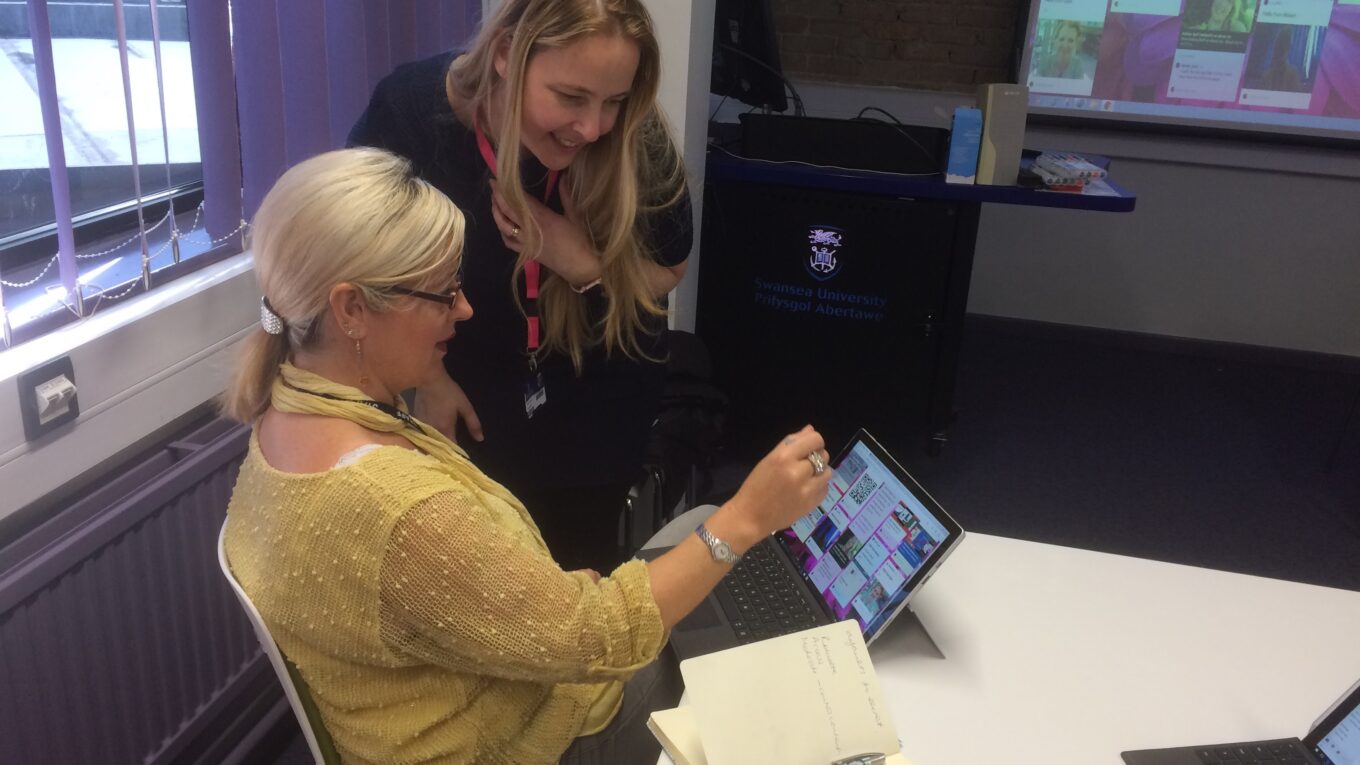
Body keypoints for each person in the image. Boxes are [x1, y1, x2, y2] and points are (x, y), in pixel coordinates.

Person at [221, 147, 834, 764]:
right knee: (795, 689)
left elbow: (444, 592)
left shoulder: (285, 411)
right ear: (351, 308)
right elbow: (599, 639)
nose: (463, 309)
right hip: (543, 742)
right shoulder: (396, 512)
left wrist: (540, 597)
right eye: (442, 294)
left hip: (455, 699)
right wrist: (747, 517)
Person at [348, 0, 692, 574]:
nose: (592, 127)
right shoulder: (412, 115)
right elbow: (363, 265)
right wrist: (429, 379)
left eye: (613, 101)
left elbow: (670, 266)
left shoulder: (634, 131)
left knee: (578, 595)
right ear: (507, 54)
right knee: (482, 589)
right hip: (477, 399)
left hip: (600, 398)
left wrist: (577, 260)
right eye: (571, 97)